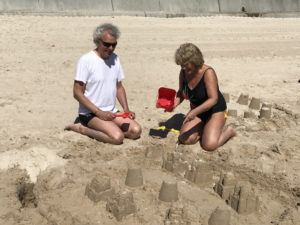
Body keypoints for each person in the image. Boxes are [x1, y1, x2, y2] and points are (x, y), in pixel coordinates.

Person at [65, 23, 142, 144]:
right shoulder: (86, 61)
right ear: (97, 42)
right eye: (107, 44)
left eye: (114, 44)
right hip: (90, 113)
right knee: (117, 138)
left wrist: (126, 109)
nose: (111, 48)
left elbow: (119, 87)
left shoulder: (115, 59)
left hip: (111, 111)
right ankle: (81, 128)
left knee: (136, 131)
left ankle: (108, 127)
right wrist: (99, 113)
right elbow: (77, 93)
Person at [170, 43, 236, 151]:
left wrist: (193, 112)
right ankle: (205, 128)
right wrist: (174, 104)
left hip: (215, 110)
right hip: (198, 111)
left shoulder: (208, 72)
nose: (182, 67)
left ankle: (229, 131)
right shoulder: (183, 72)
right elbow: (181, 92)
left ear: (194, 60)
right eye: (181, 64)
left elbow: (213, 99)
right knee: (185, 139)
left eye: (185, 64)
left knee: (209, 145)